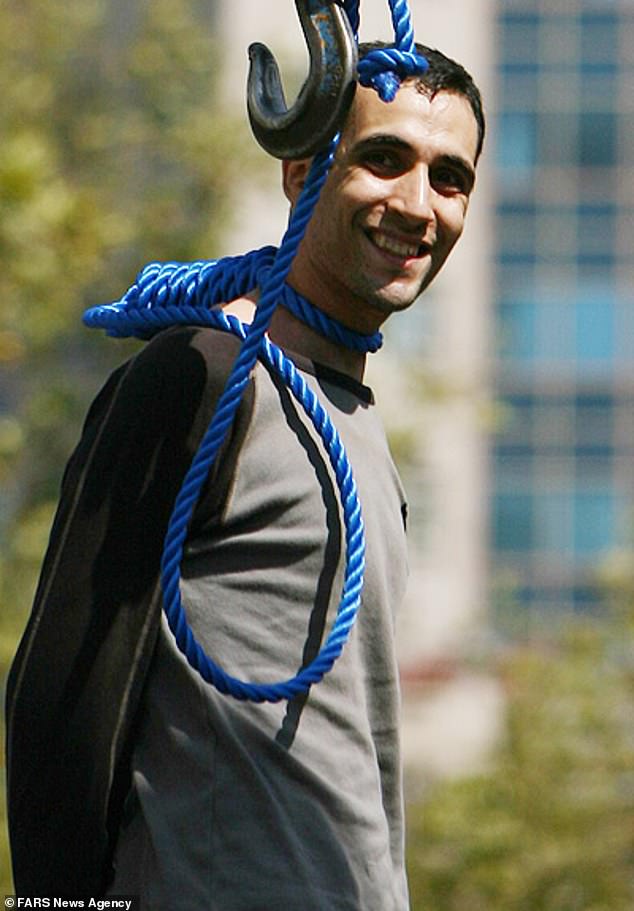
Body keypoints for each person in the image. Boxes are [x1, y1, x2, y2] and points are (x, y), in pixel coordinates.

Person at [5, 41, 485, 909]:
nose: (418, 205)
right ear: (301, 170)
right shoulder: (199, 378)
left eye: (450, 177)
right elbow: (62, 699)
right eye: (384, 159)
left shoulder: (364, 432)